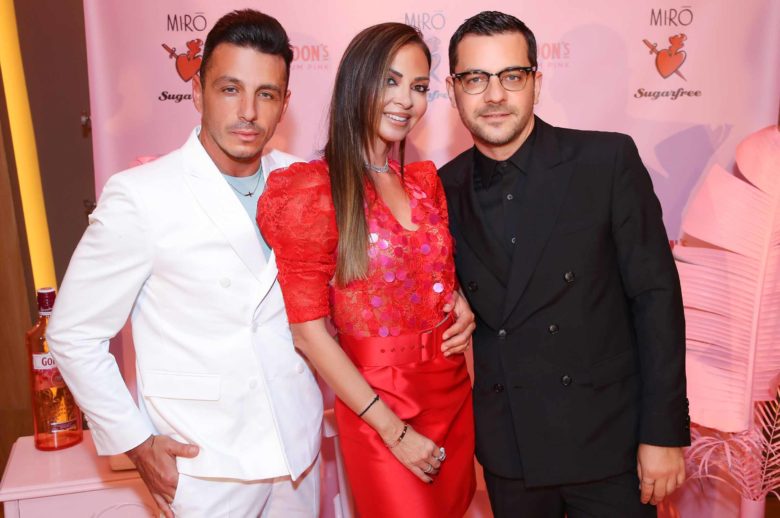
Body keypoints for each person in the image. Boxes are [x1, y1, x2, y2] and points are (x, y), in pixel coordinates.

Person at [46, 10, 321, 518]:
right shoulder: (141, 196)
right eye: (230, 89)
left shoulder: (305, 180)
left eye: (266, 94)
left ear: (285, 104)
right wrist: (136, 443)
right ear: (197, 92)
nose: (248, 112)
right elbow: (72, 333)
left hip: (297, 455)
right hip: (204, 466)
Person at [439, 11, 690, 517]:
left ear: (536, 82)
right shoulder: (441, 189)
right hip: (512, 450)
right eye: (476, 78)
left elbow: (656, 299)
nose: (494, 95)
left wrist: (663, 433)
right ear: (453, 89)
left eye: (512, 76)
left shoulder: (604, 161)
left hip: (610, 444)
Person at [258, 22, 476, 518]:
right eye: (390, 81)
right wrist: (393, 431)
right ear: (357, 82)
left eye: (418, 87)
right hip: (379, 405)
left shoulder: (422, 182)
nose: (406, 100)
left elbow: (429, 271)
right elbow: (308, 333)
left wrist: (460, 301)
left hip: (451, 390)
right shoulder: (315, 191)